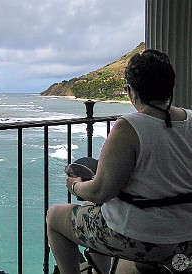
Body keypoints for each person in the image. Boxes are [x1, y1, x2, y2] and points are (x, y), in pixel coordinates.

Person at [46, 49, 192, 274]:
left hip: (140, 237)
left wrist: (74, 185)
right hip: (187, 236)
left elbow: (100, 191)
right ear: (169, 87)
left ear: (132, 91)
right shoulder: (190, 119)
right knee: (89, 209)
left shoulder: (129, 127)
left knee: (55, 216)